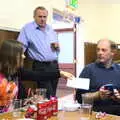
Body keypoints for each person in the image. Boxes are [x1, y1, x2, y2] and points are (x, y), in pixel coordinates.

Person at [17, 6, 62, 98]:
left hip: (54, 65)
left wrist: (57, 47)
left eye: (44, 17)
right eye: (40, 16)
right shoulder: (27, 29)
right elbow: (20, 48)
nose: (42, 19)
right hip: (40, 66)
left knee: (53, 95)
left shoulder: (51, 30)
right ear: (34, 17)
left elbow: (57, 50)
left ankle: (51, 111)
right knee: (47, 95)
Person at [75, 39, 120, 116]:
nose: (99, 53)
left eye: (103, 50)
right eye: (98, 50)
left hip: (116, 113)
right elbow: (79, 98)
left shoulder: (118, 70)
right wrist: (98, 95)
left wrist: (118, 98)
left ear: (112, 52)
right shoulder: (88, 69)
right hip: (94, 113)